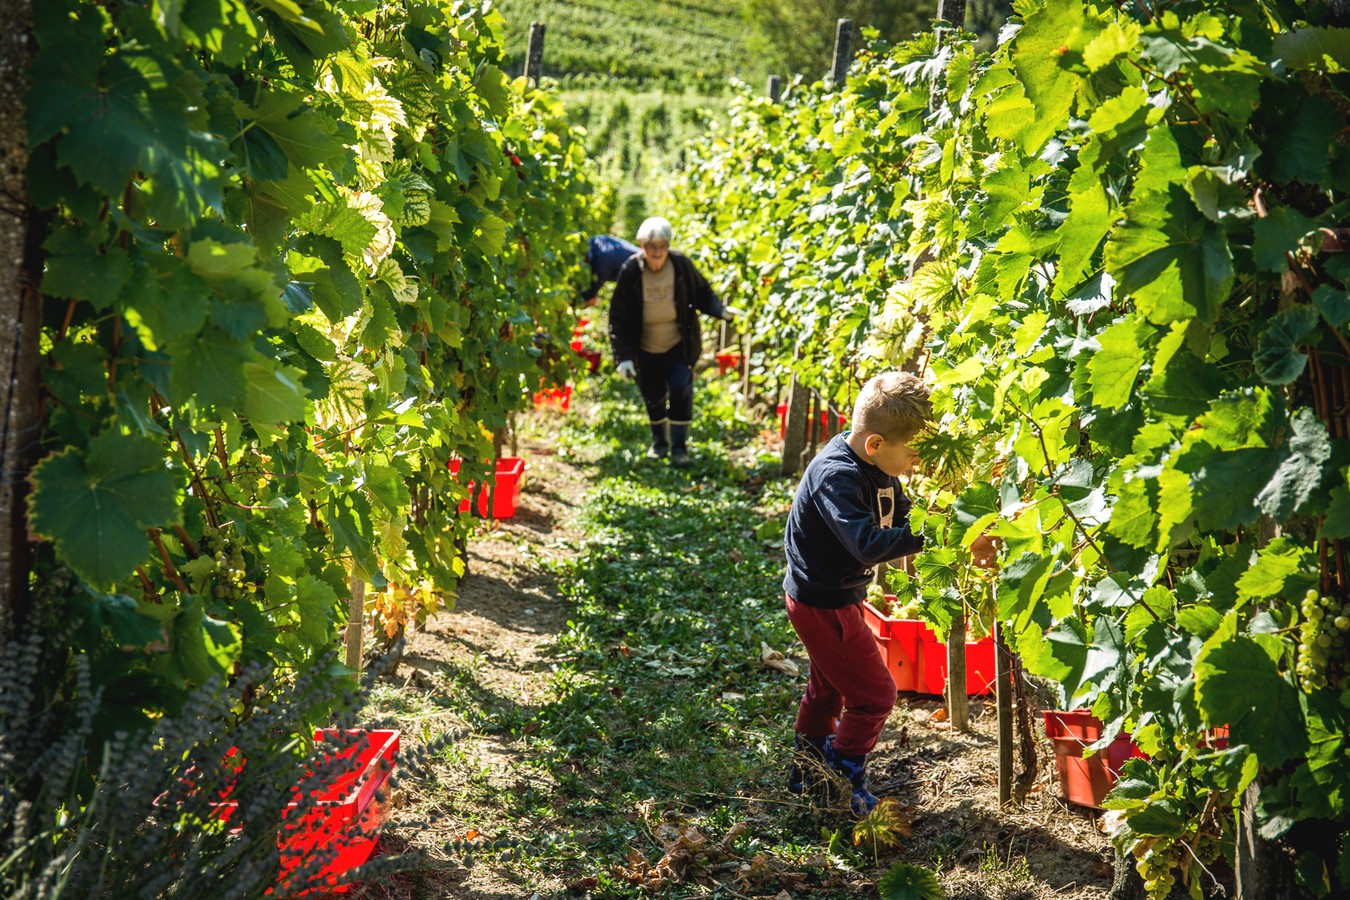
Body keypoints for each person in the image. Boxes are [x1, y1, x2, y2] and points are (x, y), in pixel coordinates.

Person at [781, 371, 997, 814]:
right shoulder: (836, 477)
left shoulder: (876, 467)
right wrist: (945, 536)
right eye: (913, 454)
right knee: (874, 695)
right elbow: (868, 544)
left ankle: (806, 771)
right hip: (824, 604)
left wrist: (960, 529)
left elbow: (906, 518)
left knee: (828, 688)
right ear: (876, 443)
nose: (916, 464)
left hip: (831, 597)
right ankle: (842, 783)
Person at [608, 217, 736, 465]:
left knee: (680, 387)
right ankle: (659, 444)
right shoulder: (631, 271)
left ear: (668, 246)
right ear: (641, 245)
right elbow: (618, 317)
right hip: (644, 347)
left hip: (678, 344)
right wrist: (623, 357)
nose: (656, 252)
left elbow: (702, 292)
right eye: (650, 246)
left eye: (661, 246)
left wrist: (721, 310)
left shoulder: (680, 265)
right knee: (653, 394)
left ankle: (679, 448)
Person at [582, 234, 639, 304]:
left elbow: (594, 287)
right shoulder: (594, 242)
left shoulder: (601, 258)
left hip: (642, 270)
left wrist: (584, 298)